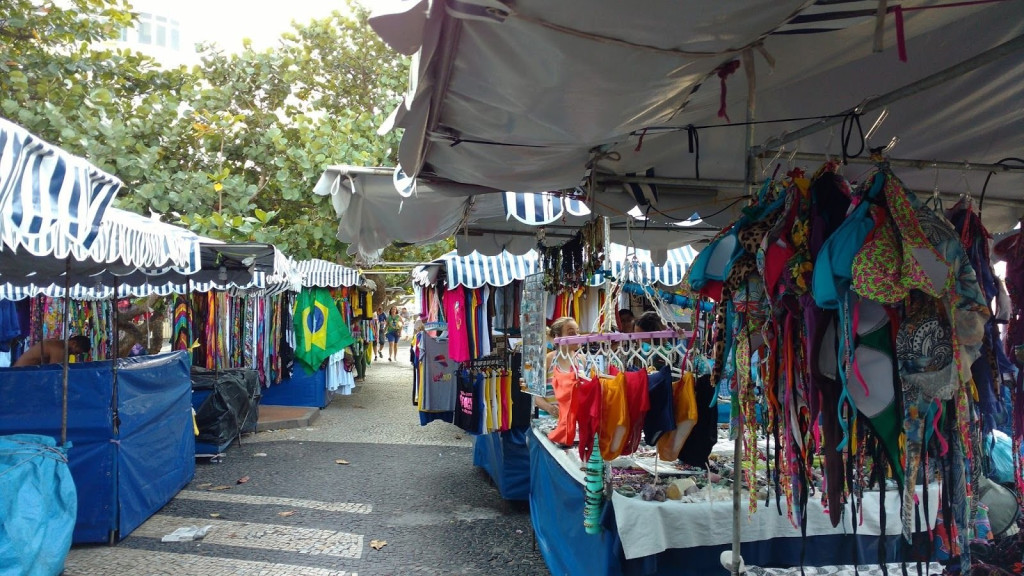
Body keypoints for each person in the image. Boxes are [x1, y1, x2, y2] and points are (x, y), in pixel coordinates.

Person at [534, 316, 580, 418]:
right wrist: (550, 408)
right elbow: (535, 395)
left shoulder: (582, 360)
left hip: (575, 421)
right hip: (549, 422)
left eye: (577, 332)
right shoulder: (547, 360)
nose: (577, 336)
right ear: (557, 337)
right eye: (571, 333)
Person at [13, 336, 91, 367]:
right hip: (20, 374)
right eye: (76, 352)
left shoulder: (59, 344)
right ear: (74, 343)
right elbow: (54, 374)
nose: (74, 355)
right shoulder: (59, 350)